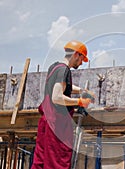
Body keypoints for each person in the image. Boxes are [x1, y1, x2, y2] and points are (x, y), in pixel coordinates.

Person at [31, 40, 94, 169]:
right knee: (57, 161)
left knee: (41, 161)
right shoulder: (64, 70)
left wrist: (82, 91)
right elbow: (57, 97)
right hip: (57, 123)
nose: (81, 63)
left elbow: (64, 87)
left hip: (47, 122)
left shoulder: (55, 67)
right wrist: (79, 101)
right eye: (82, 59)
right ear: (76, 54)